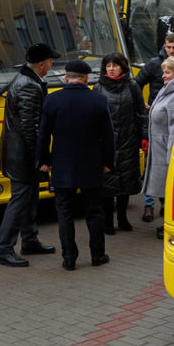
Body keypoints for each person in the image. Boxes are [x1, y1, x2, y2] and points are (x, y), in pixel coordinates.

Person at [36, 60, 116, 271]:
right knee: (94, 212)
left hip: (62, 165)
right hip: (92, 165)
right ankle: (97, 255)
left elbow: (43, 135)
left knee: (64, 213)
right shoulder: (99, 101)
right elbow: (108, 136)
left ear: (66, 77)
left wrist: (43, 161)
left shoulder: (52, 101)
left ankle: (69, 258)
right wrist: (108, 162)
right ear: (86, 78)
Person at [0, 42, 60, 267]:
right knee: (20, 200)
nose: (51, 66)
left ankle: (30, 240)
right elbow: (30, 128)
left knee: (30, 198)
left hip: (21, 153)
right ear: (41, 64)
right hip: (22, 156)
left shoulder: (28, 81)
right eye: (50, 62)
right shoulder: (28, 86)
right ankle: (4, 249)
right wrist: (40, 157)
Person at [96, 52, 145, 234]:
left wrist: (144, 136)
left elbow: (141, 112)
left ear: (122, 67)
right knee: (107, 184)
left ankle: (122, 218)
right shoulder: (99, 87)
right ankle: (108, 221)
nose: (111, 68)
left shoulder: (132, 86)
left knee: (125, 182)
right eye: (108, 65)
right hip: (106, 142)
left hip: (128, 140)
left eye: (115, 65)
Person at [134, 31, 174, 220]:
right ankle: (148, 205)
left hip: (170, 117)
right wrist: (143, 104)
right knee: (152, 165)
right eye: (168, 47)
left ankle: (164, 204)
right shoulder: (155, 64)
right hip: (155, 118)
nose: (171, 51)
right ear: (164, 46)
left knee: (164, 168)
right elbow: (136, 83)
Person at [143, 56, 174, 235]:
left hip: (166, 152)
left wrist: (171, 158)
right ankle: (168, 223)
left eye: (167, 72)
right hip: (159, 148)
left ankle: (171, 225)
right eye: (163, 72)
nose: (163, 76)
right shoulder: (167, 91)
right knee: (165, 190)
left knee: (170, 190)